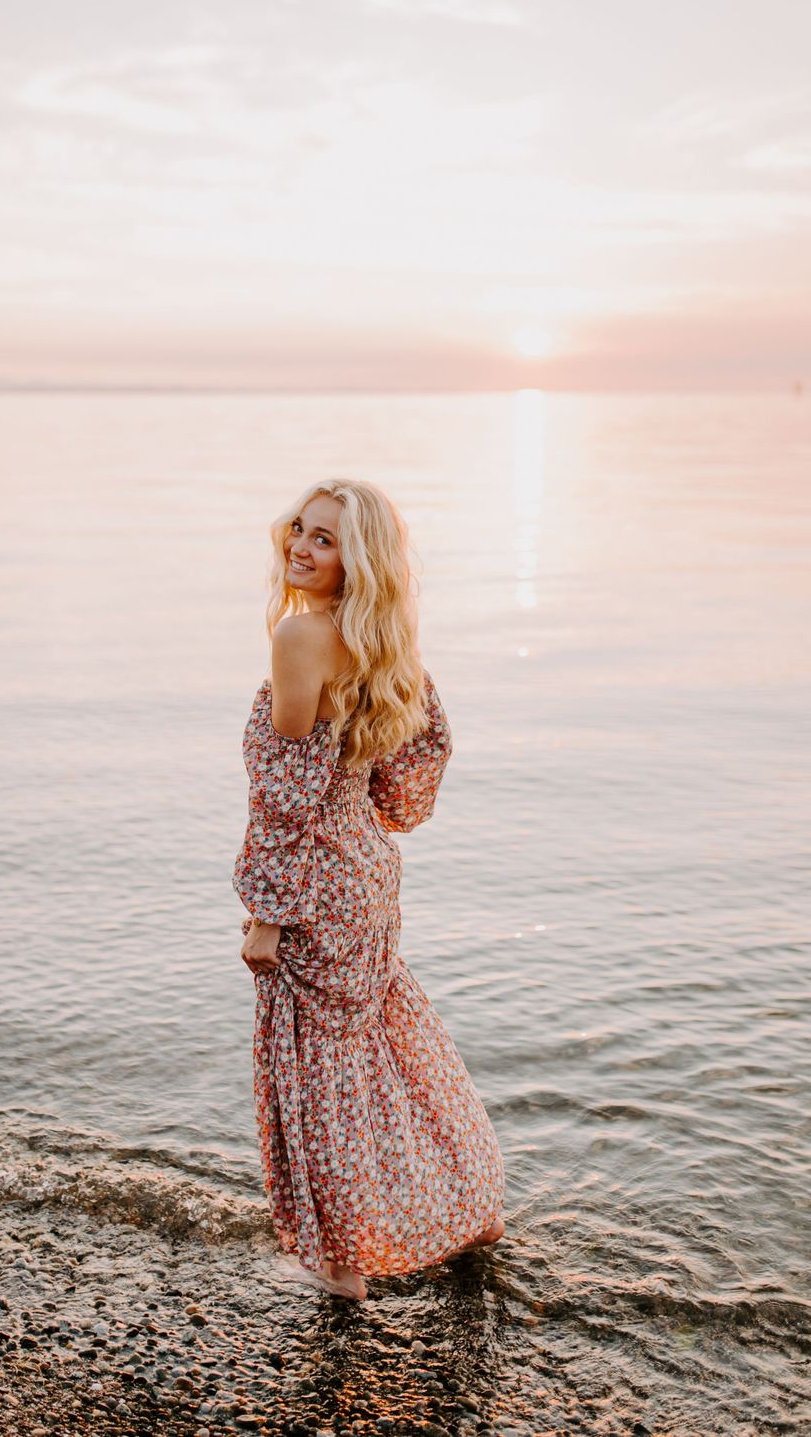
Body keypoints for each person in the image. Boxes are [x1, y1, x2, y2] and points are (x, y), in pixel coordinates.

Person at [233, 478, 505, 1301]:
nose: (301, 548)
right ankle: (466, 1209)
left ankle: (343, 1269)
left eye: (325, 539)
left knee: (321, 1076)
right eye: (300, 531)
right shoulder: (387, 641)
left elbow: (285, 793)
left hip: (317, 882)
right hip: (370, 873)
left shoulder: (299, 635)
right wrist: (371, 807)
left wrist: (266, 915)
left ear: (361, 560)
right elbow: (421, 759)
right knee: (382, 1051)